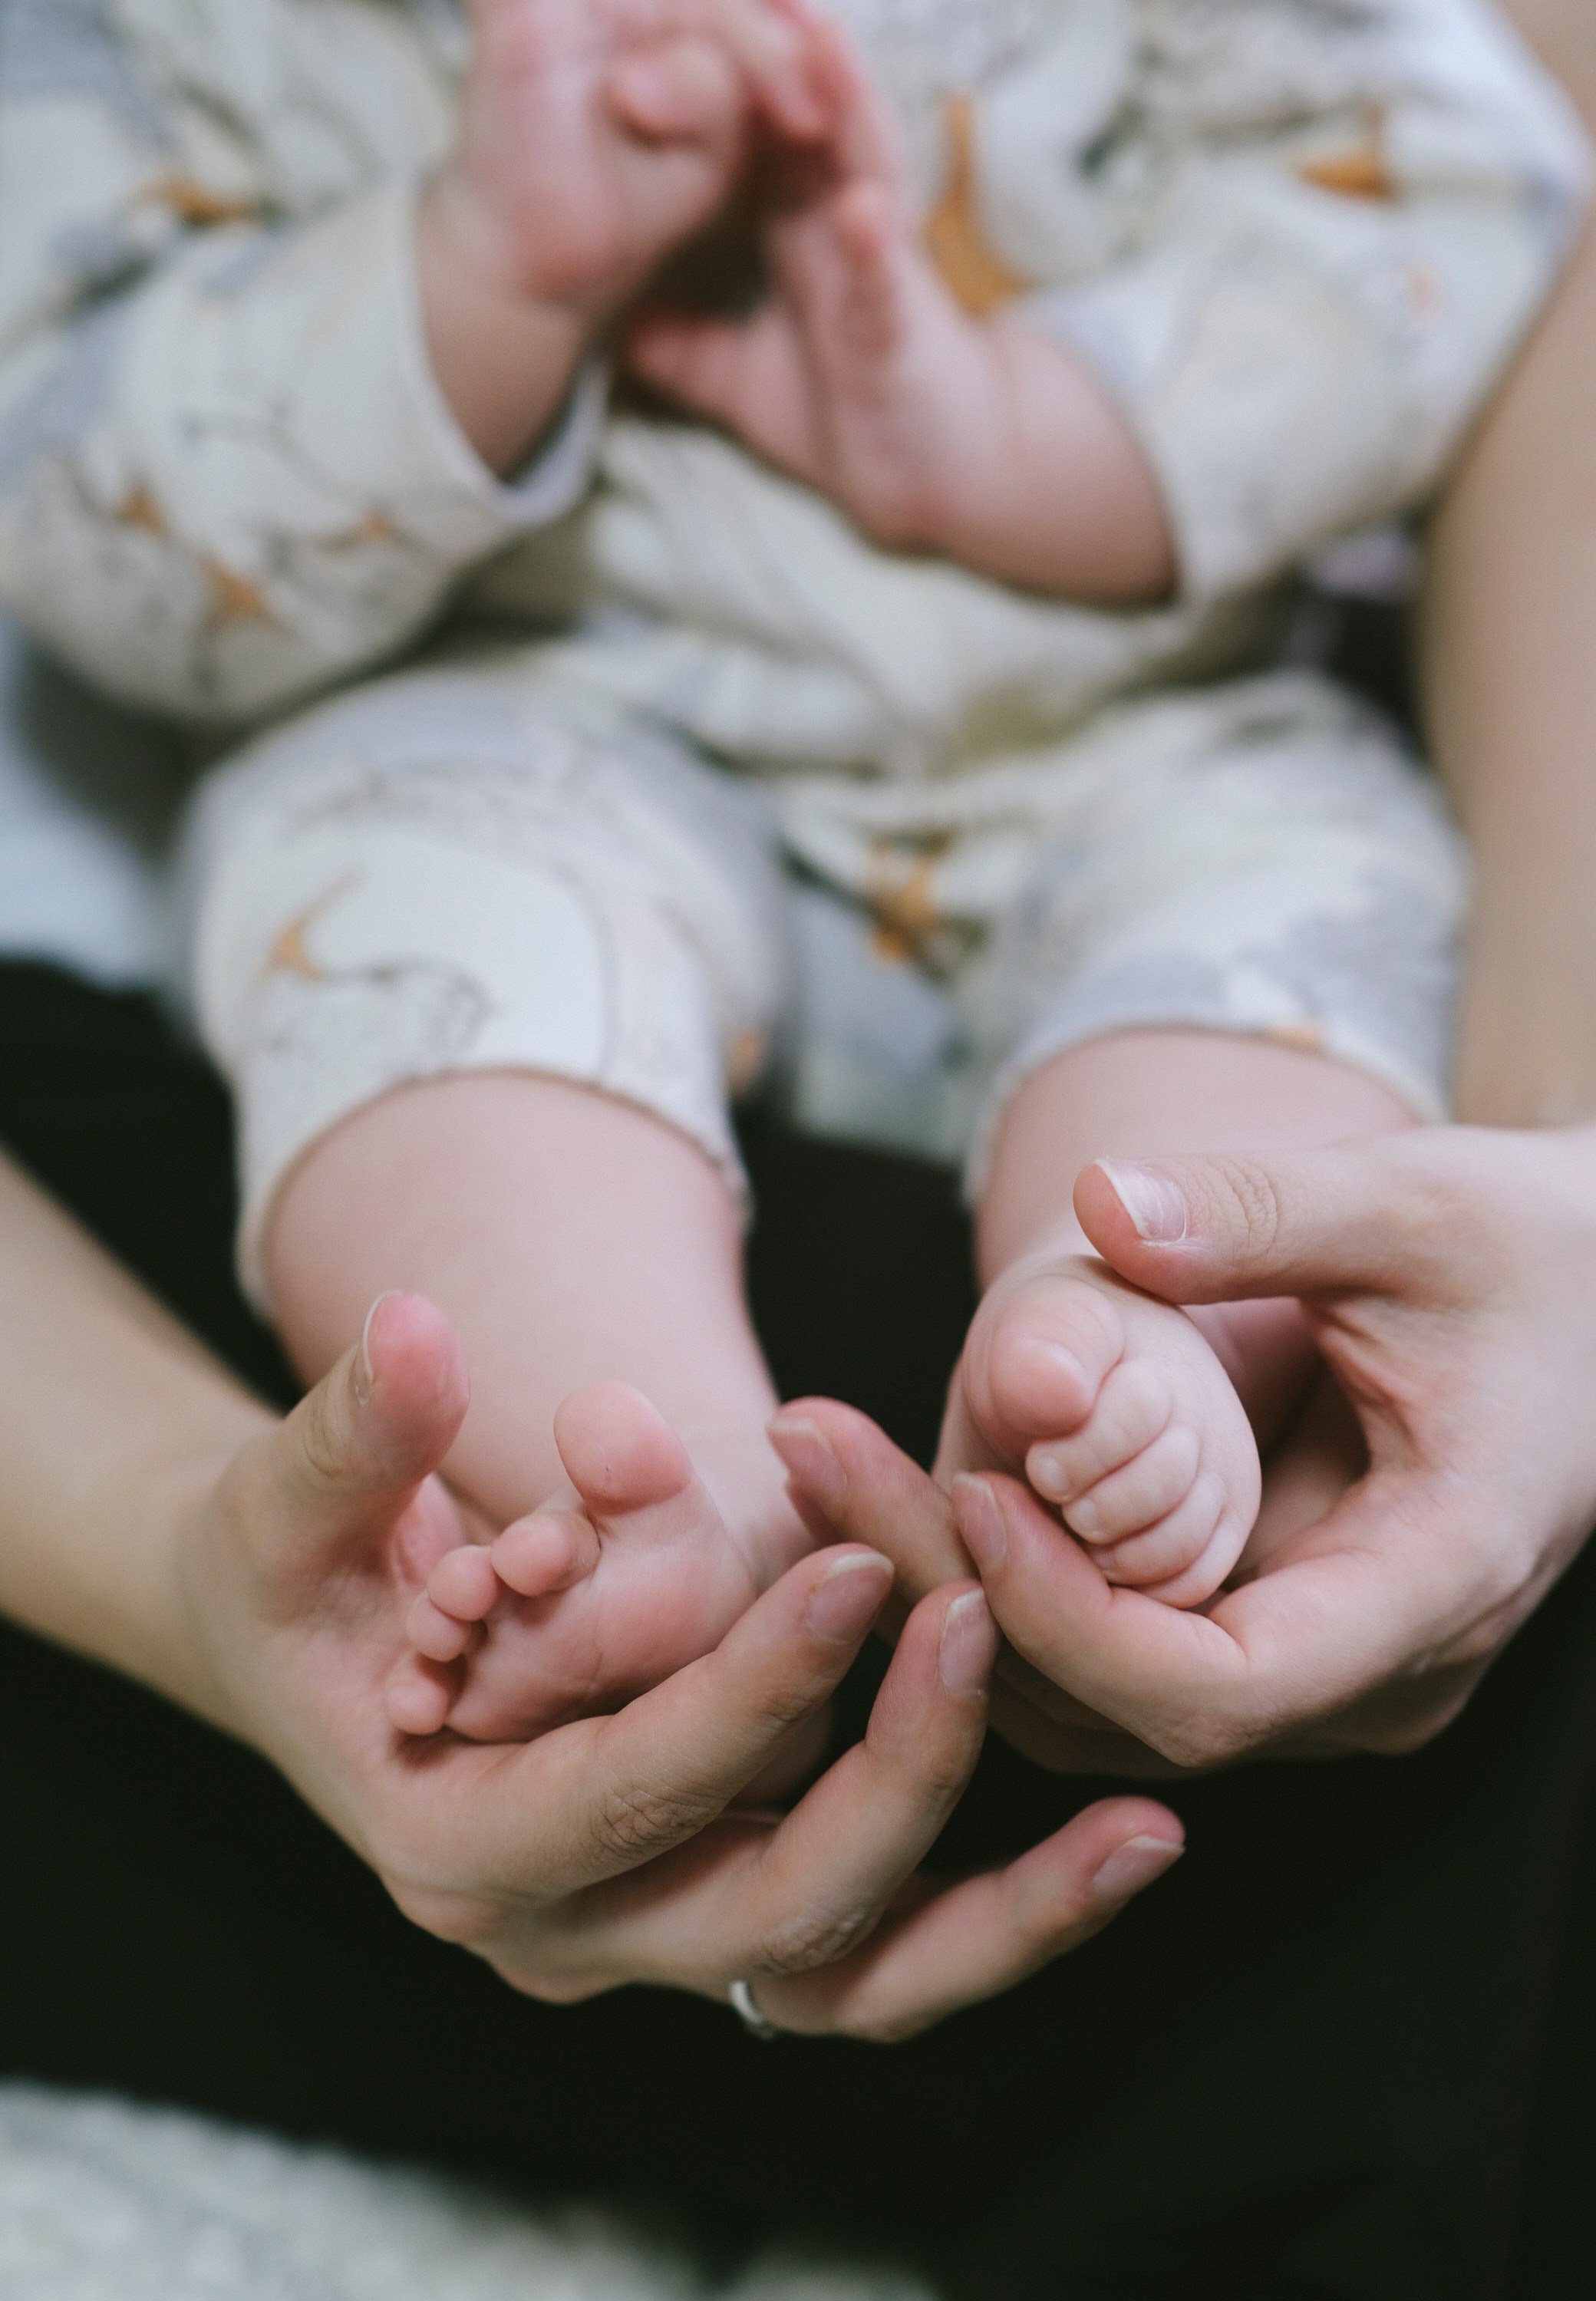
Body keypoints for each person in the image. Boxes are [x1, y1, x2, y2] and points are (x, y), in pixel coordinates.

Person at [2, 0, 1577, 1746]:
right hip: (524, 711)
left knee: (1295, 916)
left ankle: (1130, 1346)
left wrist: (1013, 433)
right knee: (396, 912)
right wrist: (469, 282)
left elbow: (1442, 195)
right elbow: (68, 487)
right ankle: (642, 1471)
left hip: (1129, 717)